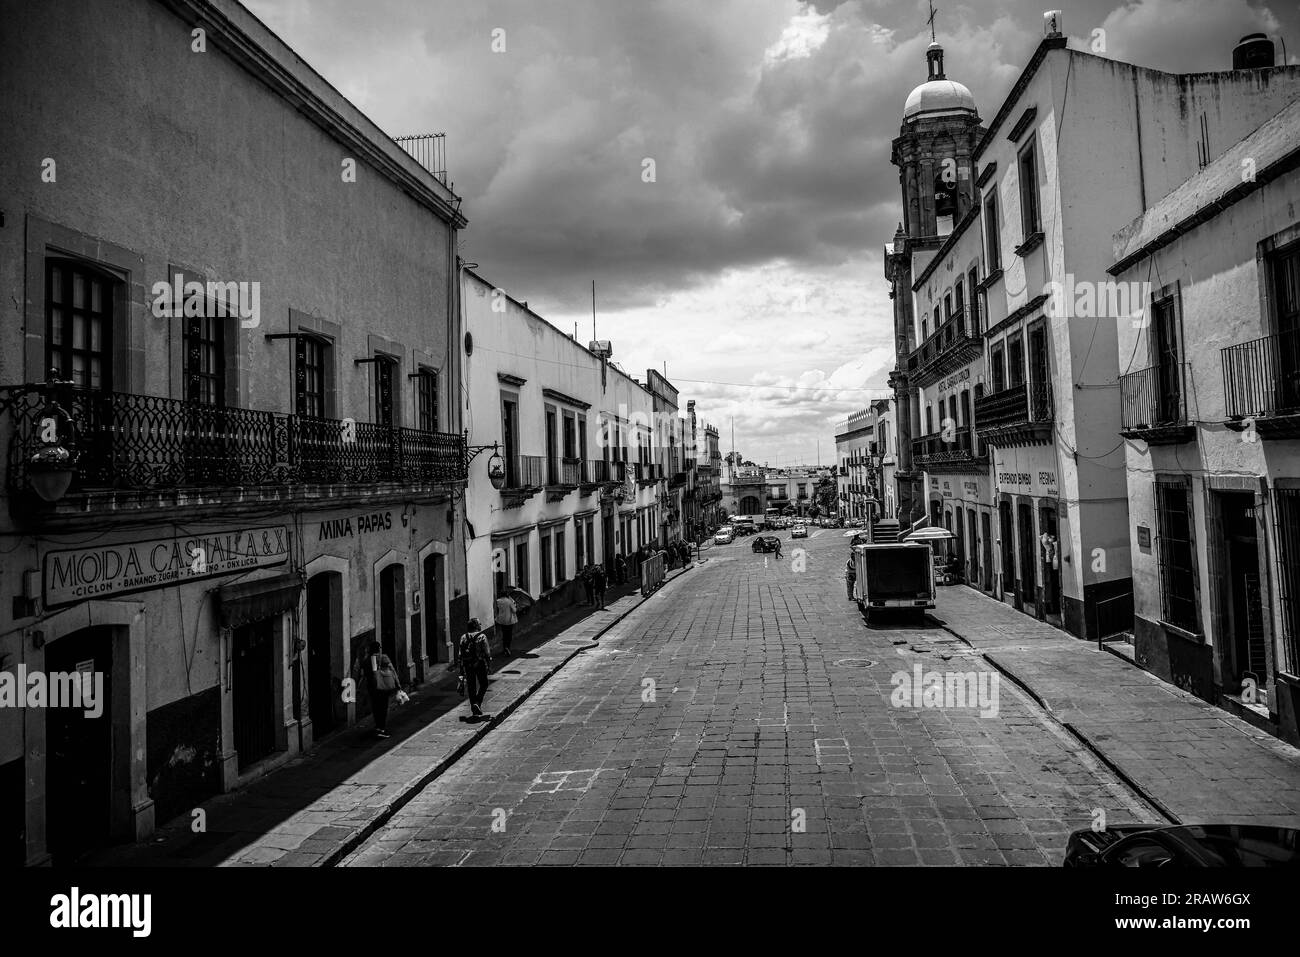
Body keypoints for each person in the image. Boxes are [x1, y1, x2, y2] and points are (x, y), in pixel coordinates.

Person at [353, 639, 398, 738]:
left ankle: (378, 726)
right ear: (379, 649)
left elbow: (362, 673)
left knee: (376, 706)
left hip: (372, 688)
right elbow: (393, 671)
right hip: (383, 687)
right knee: (384, 707)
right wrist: (398, 686)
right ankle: (381, 727)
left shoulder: (366, 660)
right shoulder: (384, 657)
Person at [457, 618, 492, 718]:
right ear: (476, 626)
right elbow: (487, 653)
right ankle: (477, 702)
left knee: (471, 686)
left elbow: (460, 654)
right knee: (484, 684)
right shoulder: (482, 636)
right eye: (479, 623)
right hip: (479, 664)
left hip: (468, 665)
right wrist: (489, 666)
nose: (481, 625)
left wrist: (461, 669)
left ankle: (474, 708)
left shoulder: (463, 637)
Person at [494, 589, 518, 656]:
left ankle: (504, 648)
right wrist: (514, 604)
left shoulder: (498, 601)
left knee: (504, 634)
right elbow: (514, 610)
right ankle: (508, 647)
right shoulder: (509, 602)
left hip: (501, 620)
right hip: (509, 620)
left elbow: (496, 609)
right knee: (509, 634)